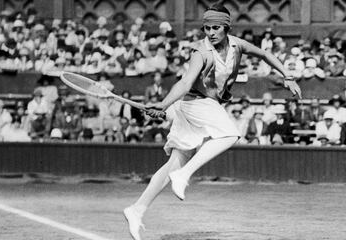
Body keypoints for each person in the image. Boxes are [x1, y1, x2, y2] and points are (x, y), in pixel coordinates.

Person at [123, 4, 302, 240]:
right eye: (207, 28)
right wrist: (165, 104)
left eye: (216, 27)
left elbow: (265, 55)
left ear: (226, 27)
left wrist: (287, 75)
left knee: (174, 164)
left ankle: (136, 210)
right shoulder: (201, 52)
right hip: (196, 103)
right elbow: (185, 83)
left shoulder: (237, 44)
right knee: (230, 134)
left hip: (200, 106)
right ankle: (184, 175)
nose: (211, 32)